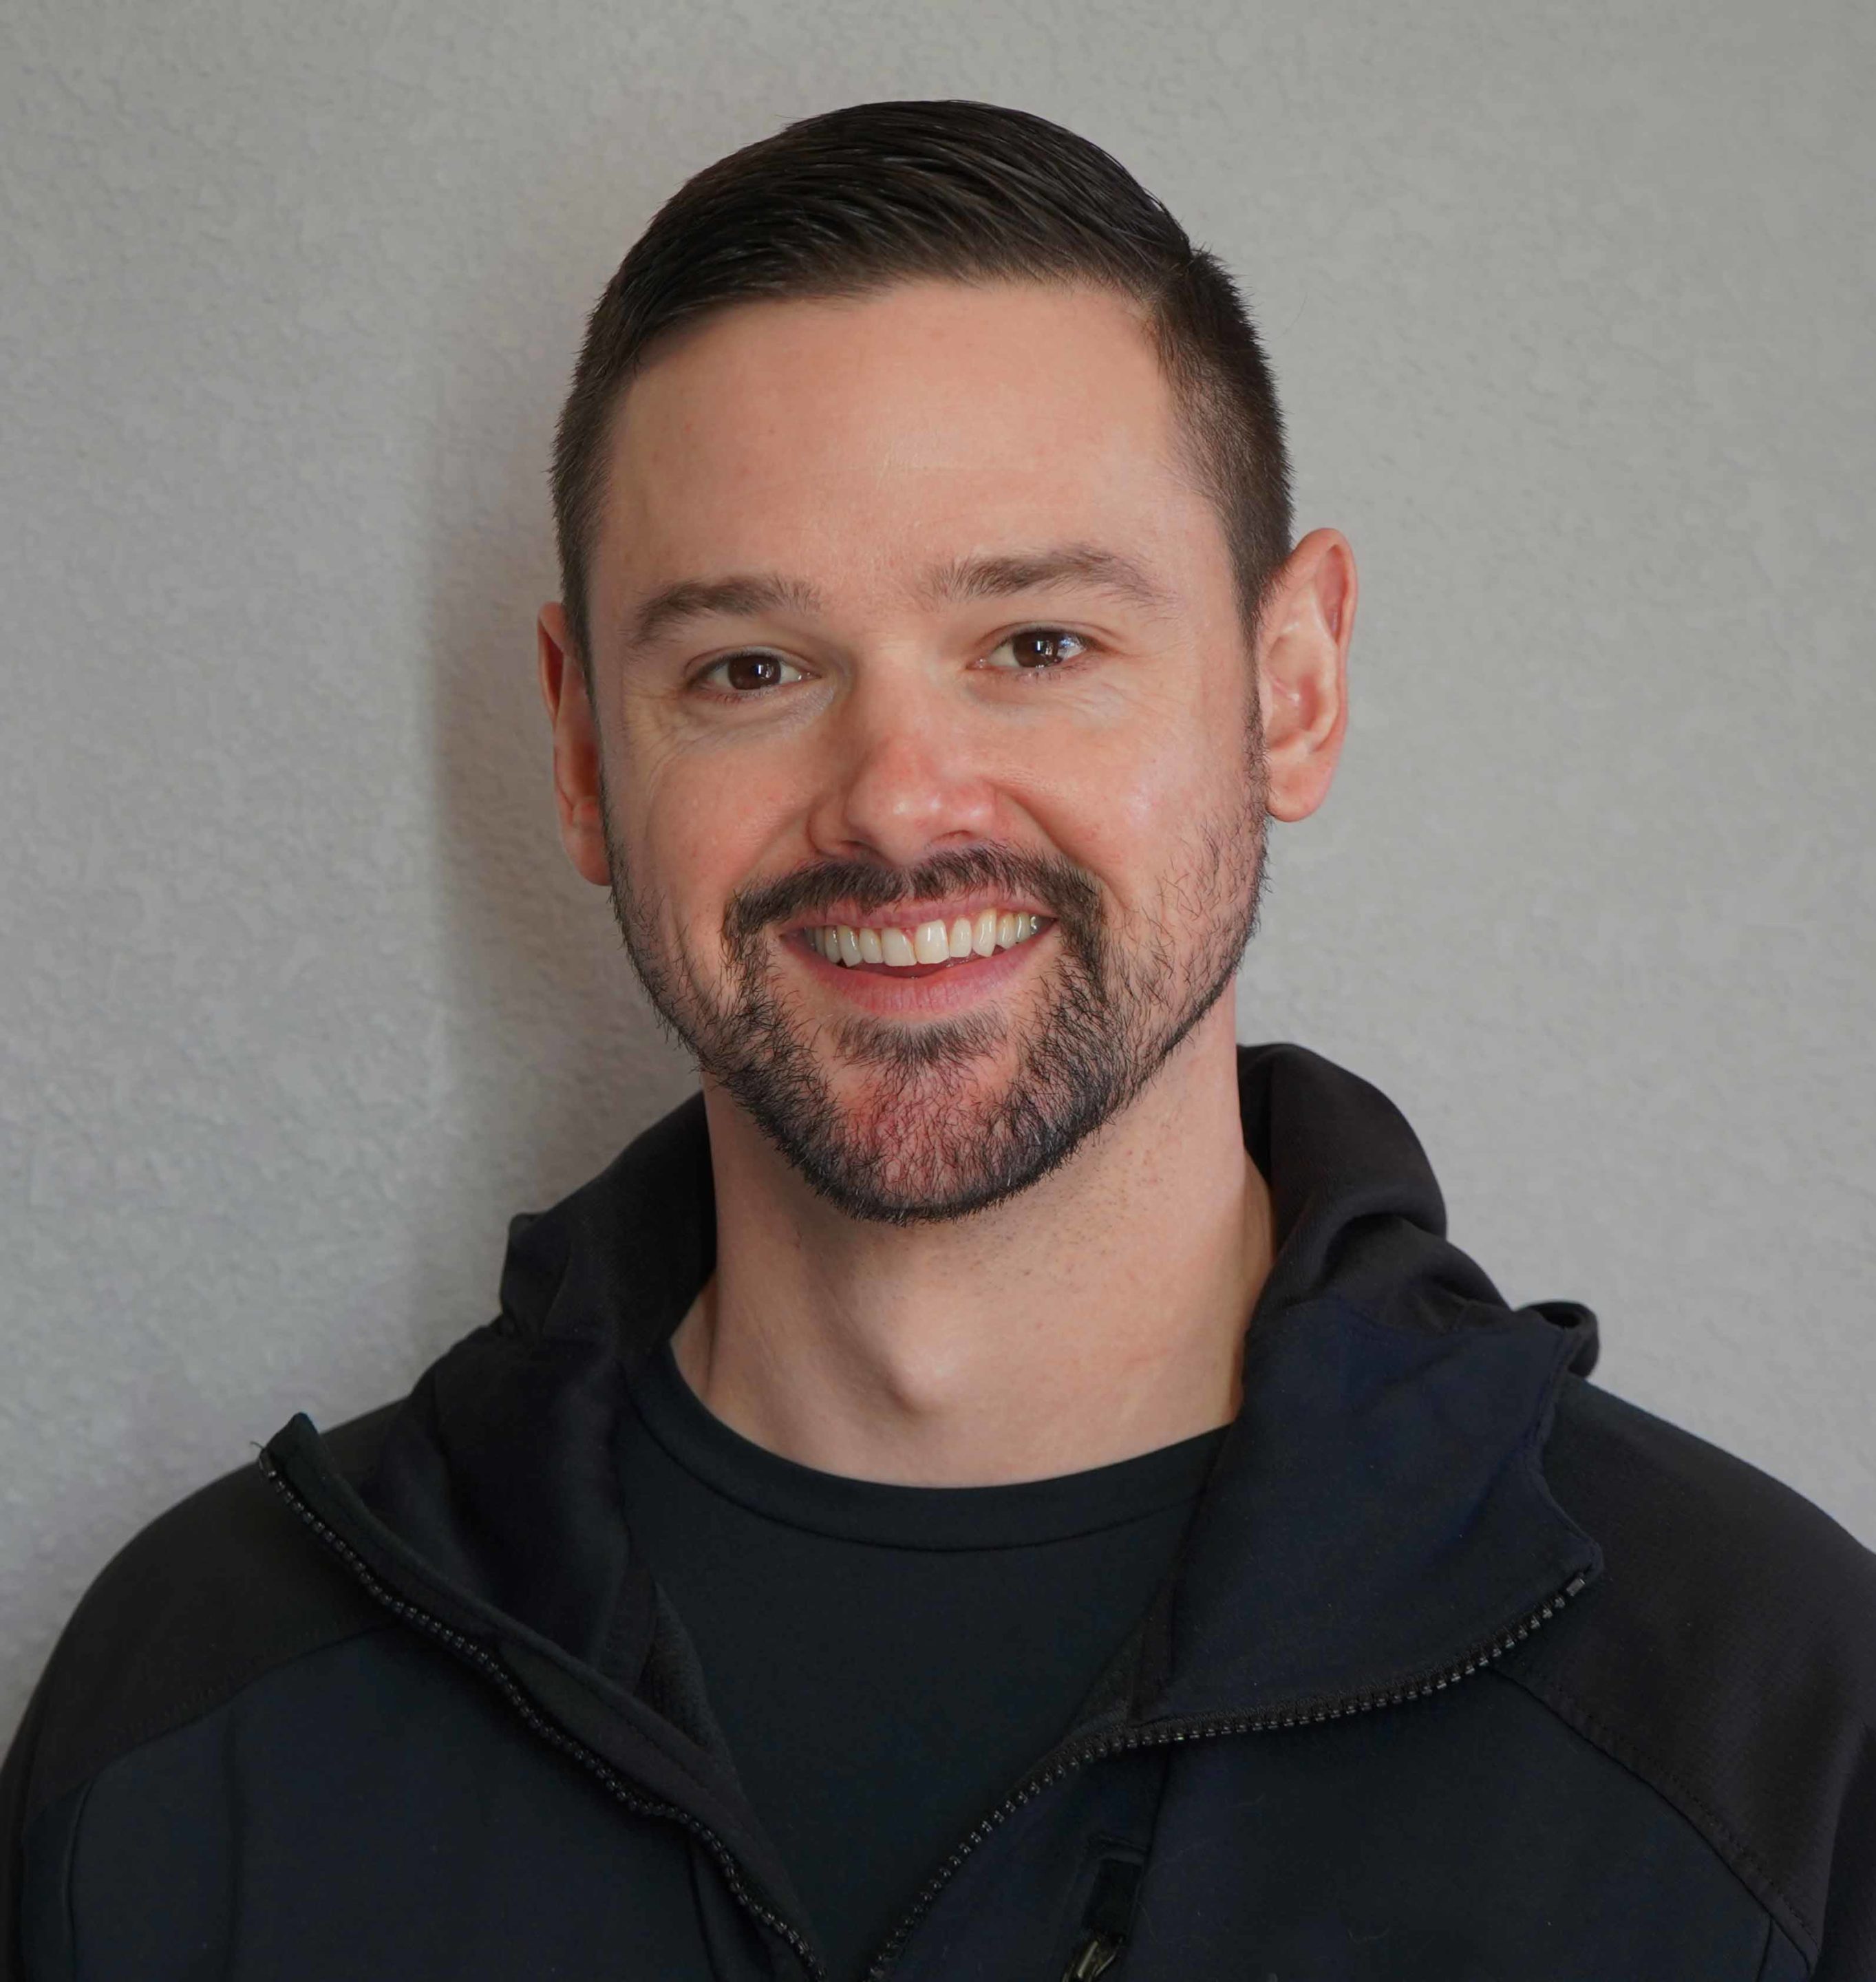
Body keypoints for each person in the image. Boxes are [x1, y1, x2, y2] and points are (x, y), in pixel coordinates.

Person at [3, 96, 1872, 1982]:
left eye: (1038, 644)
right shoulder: (201, 1718)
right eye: (750, 669)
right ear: (580, 752)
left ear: (1291, 686)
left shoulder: (1766, 1738)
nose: (898, 803)